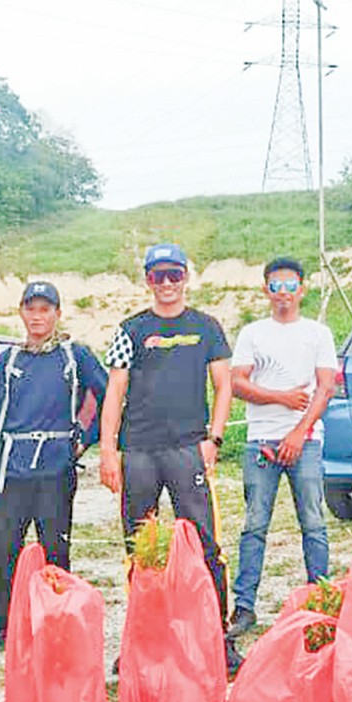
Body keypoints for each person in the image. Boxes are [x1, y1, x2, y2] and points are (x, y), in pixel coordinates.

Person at [99, 243, 241, 673]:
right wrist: (108, 450)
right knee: (140, 547)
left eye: (174, 275)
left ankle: (217, 636)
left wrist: (213, 439)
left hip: (187, 448)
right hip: (139, 450)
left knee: (204, 543)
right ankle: (144, 638)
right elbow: (114, 392)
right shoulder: (129, 330)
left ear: (185, 278)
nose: (166, 284)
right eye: (158, 276)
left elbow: (224, 387)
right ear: (147, 280)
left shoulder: (207, 327)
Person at [0, 281, 107, 649]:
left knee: (55, 547)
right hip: (10, 469)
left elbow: (110, 395)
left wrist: (87, 435)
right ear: (21, 312)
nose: (37, 316)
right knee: (4, 548)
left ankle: (59, 616)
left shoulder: (75, 356)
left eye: (45, 309)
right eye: (31, 309)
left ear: (57, 313)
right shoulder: (7, 360)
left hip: (55, 467)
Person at [228, 258, 338, 635]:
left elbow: (325, 387)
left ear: (302, 289)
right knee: (254, 525)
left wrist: (299, 433)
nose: (284, 294)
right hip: (261, 440)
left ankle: (321, 597)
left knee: (314, 522)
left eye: (291, 286)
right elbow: (237, 383)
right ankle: (244, 607)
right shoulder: (253, 333)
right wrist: (279, 398)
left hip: (305, 442)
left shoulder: (318, 333)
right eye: (276, 286)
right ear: (266, 290)